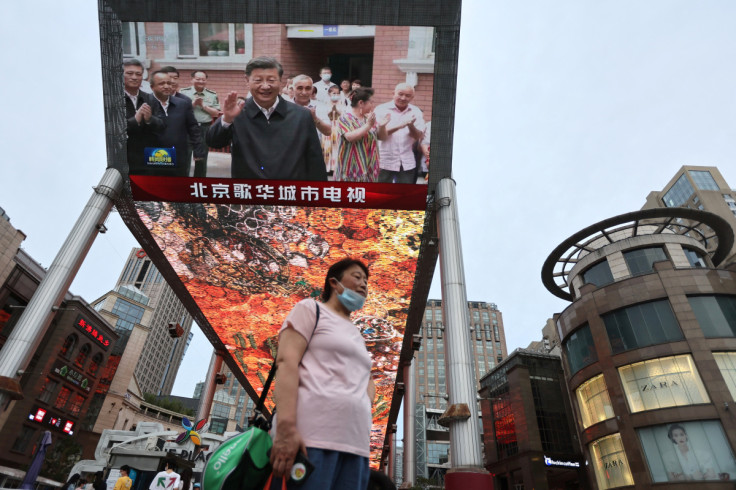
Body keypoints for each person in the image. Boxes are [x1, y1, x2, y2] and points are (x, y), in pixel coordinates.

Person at [270, 258, 376, 490]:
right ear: (334, 283)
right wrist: (286, 429)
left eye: (366, 281)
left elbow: (367, 379)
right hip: (311, 440)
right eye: (356, 277)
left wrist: (362, 403)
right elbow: (287, 362)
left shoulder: (358, 336)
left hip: (355, 445)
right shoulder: (311, 309)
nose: (363, 285)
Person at [206, 56, 326, 181]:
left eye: (271, 80)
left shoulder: (301, 115)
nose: (265, 86)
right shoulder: (238, 112)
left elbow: (314, 159)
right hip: (249, 193)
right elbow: (214, 142)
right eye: (258, 80)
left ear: (280, 81)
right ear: (247, 81)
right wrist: (227, 119)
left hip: (288, 192)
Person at [149, 71, 207, 177]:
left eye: (169, 83)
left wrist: (198, 150)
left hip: (178, 153)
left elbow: (193, 127)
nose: (166, 86)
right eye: (161, 84)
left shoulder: (182, 104)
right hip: (153, 155)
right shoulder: (145, 103)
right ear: (152, 87)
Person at [374, 83, 425, 184]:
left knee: (404, 195)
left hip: (406, 161)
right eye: (400, 94)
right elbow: (379, 136)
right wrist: (400, 126)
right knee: (379, 194)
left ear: (412, 97)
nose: (403, 98)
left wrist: (411, 126)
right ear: (393, 93)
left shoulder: (416, 111)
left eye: (407, 95)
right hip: (384, 160)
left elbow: (418, 136)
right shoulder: (381, 109)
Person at [335, 88, 389, 182]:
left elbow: (382, 137)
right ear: (361, 103)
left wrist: (382, 126)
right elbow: (350, 137)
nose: (373, 105)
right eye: (371, 102)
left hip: (369, 166)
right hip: (351, 168)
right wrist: (368, 125)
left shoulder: (368, 118)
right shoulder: (345, 118)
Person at [124, 59, 166, 175]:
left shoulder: (150, 98)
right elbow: (113, 130)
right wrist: (135, 120)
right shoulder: (114, 100)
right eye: (129, 73)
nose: (134, 77)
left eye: (138, 74)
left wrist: (149, 119)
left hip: (148, 157)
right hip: (124, 158)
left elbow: (162, 125)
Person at [180, 70, 221, 177]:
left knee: (202, 159)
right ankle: (183, 182)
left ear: (206, 80)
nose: (201, 81)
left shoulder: (212, 94)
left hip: (204, 128)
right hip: (187, 128)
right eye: (198, 79)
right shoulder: (183, 93)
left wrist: (203, 106)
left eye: (203, 79)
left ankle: (199, 183)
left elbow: (216, 113)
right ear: (192, 79)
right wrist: (192, 104)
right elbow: (179, 111)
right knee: (185, 157)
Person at [323, 85, 345, 175]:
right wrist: (330, 112)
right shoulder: (325, 104)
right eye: (334, 93)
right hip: (328, 127)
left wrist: (338, 111)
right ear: (329, 94)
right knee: (327, 148)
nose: (336, 95)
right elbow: (323, 117)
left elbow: (344, 117)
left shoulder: (342, 104)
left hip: (338, 128)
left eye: (337, 93)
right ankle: (327, 168)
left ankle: (335, 167)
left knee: (337, 147)